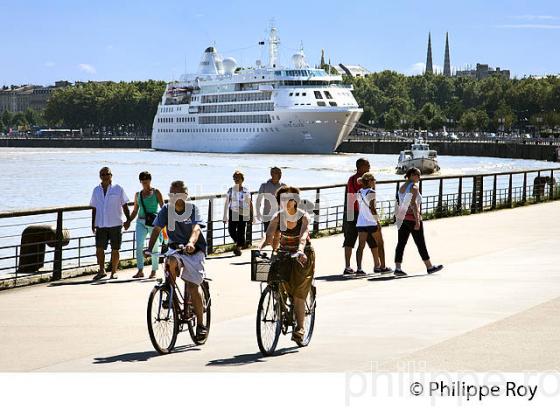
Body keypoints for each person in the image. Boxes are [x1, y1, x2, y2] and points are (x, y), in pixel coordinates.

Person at [144, 180, 208, 340]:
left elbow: (196, 228)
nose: (172, 197)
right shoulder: (166, 210)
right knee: (170, 262)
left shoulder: (193, 209)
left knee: (193, 287)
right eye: (170, 194)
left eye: (176, 194)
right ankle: (169, 293)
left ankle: (201, 325)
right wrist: (149, 248)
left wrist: (191, 243)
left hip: (194, 250)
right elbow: (157, 229)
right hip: (176, 248)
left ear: (185, 196)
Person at [258, 186, 315, 344]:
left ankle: (300, 329)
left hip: (302, 255)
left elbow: (303, 236)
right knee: (276, 281)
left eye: (287, 199)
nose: (283, 202)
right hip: (284, 252)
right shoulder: (278, 216)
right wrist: (260, 247)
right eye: (281, 199)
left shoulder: (303, 216)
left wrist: (300, 250)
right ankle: (282, 306)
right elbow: (269, 235)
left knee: (298, 292)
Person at [394, 167, 443, 276]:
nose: (419, 178)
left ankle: (397, 268)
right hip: (412, 218)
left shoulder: (402, 187)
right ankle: (429, 267)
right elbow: (414, 204)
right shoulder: (414, 188)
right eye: (417, 175)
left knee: (401, 243)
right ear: (411, 175)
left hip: (402, 218)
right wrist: (417, 221)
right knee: (420, 243)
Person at [90, 167, 131, 281]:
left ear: (111, 175)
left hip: (115, 223)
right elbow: (94, 207)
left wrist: (128, 220)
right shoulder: (96, 190)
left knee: (115, 249)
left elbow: (125, 205)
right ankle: (102, 270)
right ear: (100, 176)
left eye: (107, 174)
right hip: (101, 224)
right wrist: (93, 223)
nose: (105, 176)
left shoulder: (118, 189)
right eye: (102, 174)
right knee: (99, 249)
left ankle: (113, 272)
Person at [342, 158, 375, 275]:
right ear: (361, 166)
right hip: (360, 212)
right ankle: (376, 265)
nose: (370, 166)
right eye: (368, 164)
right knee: (370, 238)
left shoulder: (351, 179)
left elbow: (351, 196)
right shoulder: (364, 180)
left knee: (349, 239)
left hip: (350, 209)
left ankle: (347, 266)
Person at [355, 172, 393, 275]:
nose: (375, 182)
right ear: (370, 181)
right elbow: (372, 208)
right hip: (371, 222)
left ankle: (359, 269)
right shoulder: (371, 192)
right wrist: (378, 221)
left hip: (361, 222)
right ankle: (383, 267)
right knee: (380, 244)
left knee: (360, 246)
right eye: (373, 180)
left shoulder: (358, 192)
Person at [128, 171, 164, 279]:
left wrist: (165, 221)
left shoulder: (156, 192)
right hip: (141, 222)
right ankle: (140, 270)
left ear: (150, 180)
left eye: (146, 179)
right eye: (142, 180)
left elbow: (163, 207)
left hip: (154, 223)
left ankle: (154, 271)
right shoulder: (137, 195)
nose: (144, 182)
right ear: (140, 181)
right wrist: (128, 221)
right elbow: (135, 210)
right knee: (139, 245)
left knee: (154, 247)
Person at [223, 170, 254, 256]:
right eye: (235, 178)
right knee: (231, 230)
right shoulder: (231, 190)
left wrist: (252, 216)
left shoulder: (246, 191)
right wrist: (224, 216)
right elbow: (227, 202)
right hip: (233, 212)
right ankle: (239, 243)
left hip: (243, 213)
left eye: (238, 178)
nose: (236, 180)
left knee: (241, 231)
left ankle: (238, 248)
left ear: (242, 179)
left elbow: (250, 204)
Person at [256, 166, 286, 232]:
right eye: (276, 173)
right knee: (268, 234)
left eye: (280, 173)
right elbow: (259, 200)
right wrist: (258, 212)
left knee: (278, 235)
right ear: (271, 174)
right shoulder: (264, 185)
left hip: (280, 215)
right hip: (267, 215)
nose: (279, 174)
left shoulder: (284, 186)